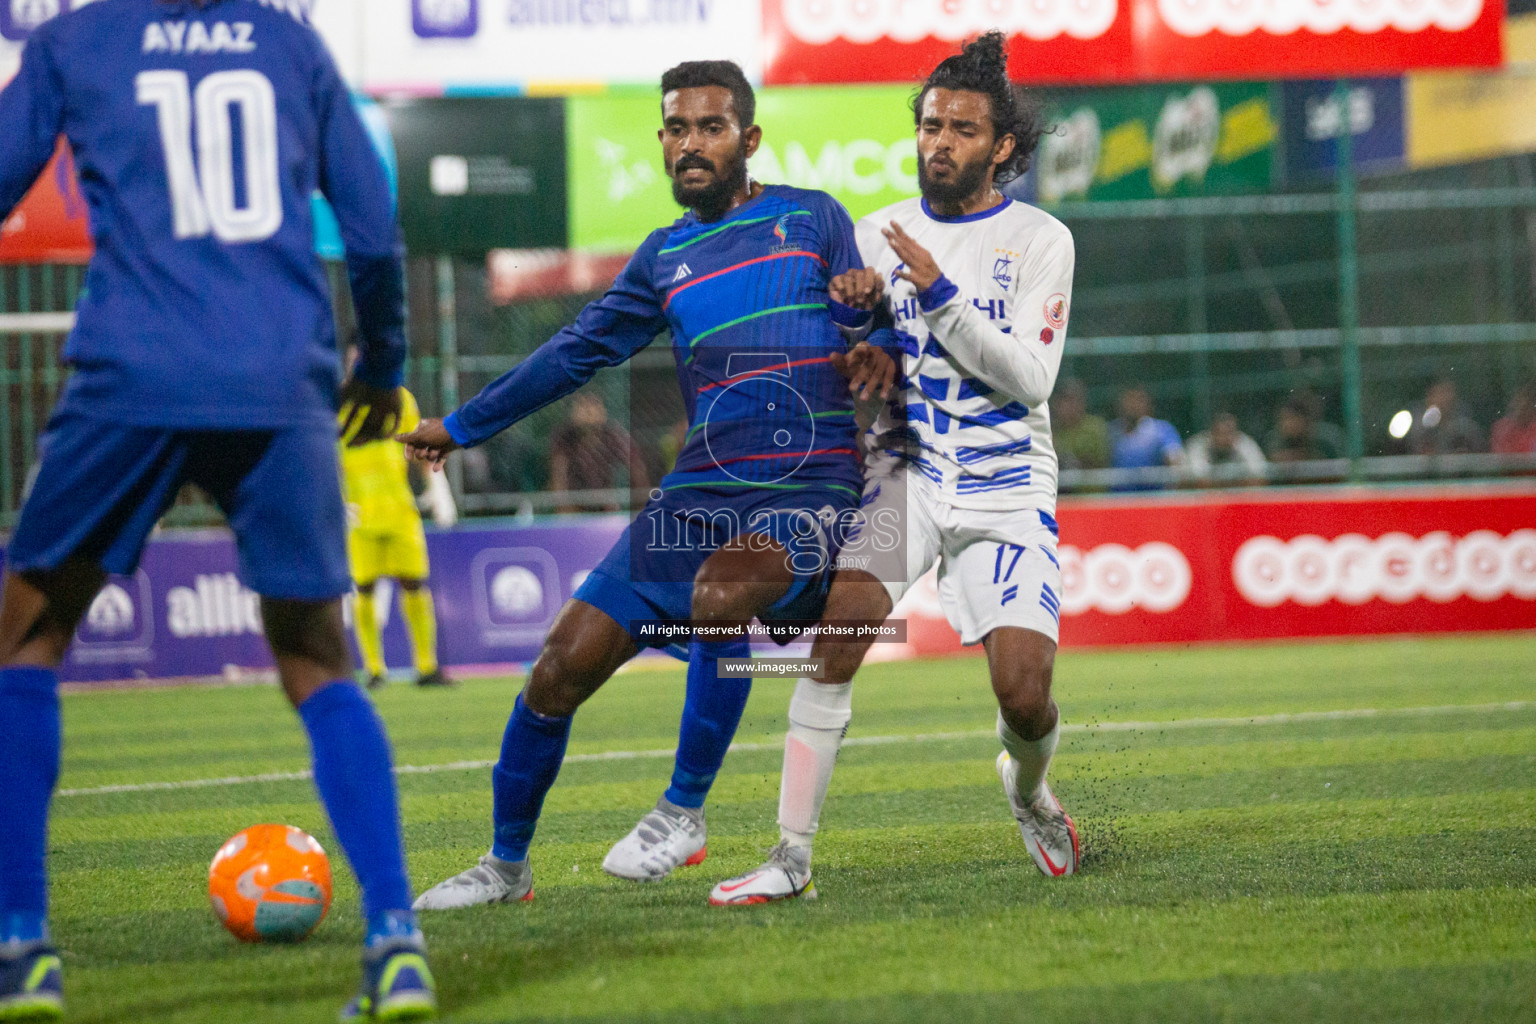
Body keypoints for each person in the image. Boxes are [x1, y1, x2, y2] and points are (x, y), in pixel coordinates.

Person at [0, 1, 435, 1020]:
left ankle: (22, 948)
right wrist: (389, 359)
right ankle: (396, 941)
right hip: (282, 373)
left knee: (26, 632)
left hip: (130, 372)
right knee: (317, 653)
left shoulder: (77, 39)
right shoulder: (288, 42)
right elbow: (373, 234)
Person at [397, 61, 896, 907]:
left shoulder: (813, 218)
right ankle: (504, 867)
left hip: (808, 487)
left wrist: (867, 310)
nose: (690, 144)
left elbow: (869, 322)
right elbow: (572, 354)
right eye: (676, 128)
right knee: (557, 668)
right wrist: (462, 425)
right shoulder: (663, 256)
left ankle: (684, 812)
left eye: (709, 126)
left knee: (719, 597)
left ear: (749, 138)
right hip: (695, 495)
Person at [708, 32, 1080, 906]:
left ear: (1004, 149)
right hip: (903, 473)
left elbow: (1030, 378)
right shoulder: (870, 234)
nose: (939, 142)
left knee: (1023, 696)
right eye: (929, 125)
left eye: (961, 129)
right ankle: (789, 858)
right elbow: (842, 358)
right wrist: (842, 334)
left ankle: (1028, 792)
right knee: (840, 638)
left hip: (1006, 487)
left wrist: (940, 296)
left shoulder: (1039, 239)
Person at [341, 383, 454, 690]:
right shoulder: (339, 401)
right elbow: (326, 455)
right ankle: (374, 670)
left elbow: (417, 445)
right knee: (364, 589)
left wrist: (437, 487)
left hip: (400, 509)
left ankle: (426, 668)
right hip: (359, 514)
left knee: (414, 583)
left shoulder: (400, 397)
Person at [548, 391, 650, 513]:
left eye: (593, 405)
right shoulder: (564, 438)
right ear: (573, 412)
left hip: (606, 498)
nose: (588, 411)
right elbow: (559, 475)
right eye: (582, 406)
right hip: (575, 498)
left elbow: (636, 468)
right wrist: (564, 507)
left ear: (603, 411)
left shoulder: (614, 436)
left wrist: (642, 506)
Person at [1109, 386, 1184, 490]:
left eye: (1138, 400)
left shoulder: (1162, 429)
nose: (1133, 405)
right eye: (1129, 400)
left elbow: (1175, 462)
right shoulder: (1111, 432)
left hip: (1153, 499)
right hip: (1118, 501)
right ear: (1120, 404)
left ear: (1147, 404)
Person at [1403, 378, 1484, 456]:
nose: (1443, 399)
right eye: (1438, 393)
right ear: (1429, 396)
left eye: (1447, 392)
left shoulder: (1465, 428)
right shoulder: (1414, 426)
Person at [1186, 412, 1266, 486]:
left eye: (1229, 432)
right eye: (1220, 433)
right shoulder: (1199, 444)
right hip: (1207, 497)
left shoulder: (1244, 443)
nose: (1225, 438)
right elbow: (1199, 480)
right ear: (1212, 432)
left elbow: (1260, 476)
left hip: (1239, 496)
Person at [1265, 392, 1344, 463]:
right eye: (1285, 419)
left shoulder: (1325, 439)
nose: (1289, 424)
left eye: (1293, 419)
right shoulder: (1275, 440)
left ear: (1305, 420)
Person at [1051, 378, 1109, 472]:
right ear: (1056, 404)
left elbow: (1100, 461)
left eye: (1075, 400)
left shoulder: (1095, 426)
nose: (1071, 406)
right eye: (1066, 401)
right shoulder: (1051, 430)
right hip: (1059, 484)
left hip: (1090, 484)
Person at [1490, 381, 1536, 455]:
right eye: (1518, 399)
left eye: (1527, 399)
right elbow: (1500, 459)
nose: (1522, 404)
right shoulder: (1501, 428)